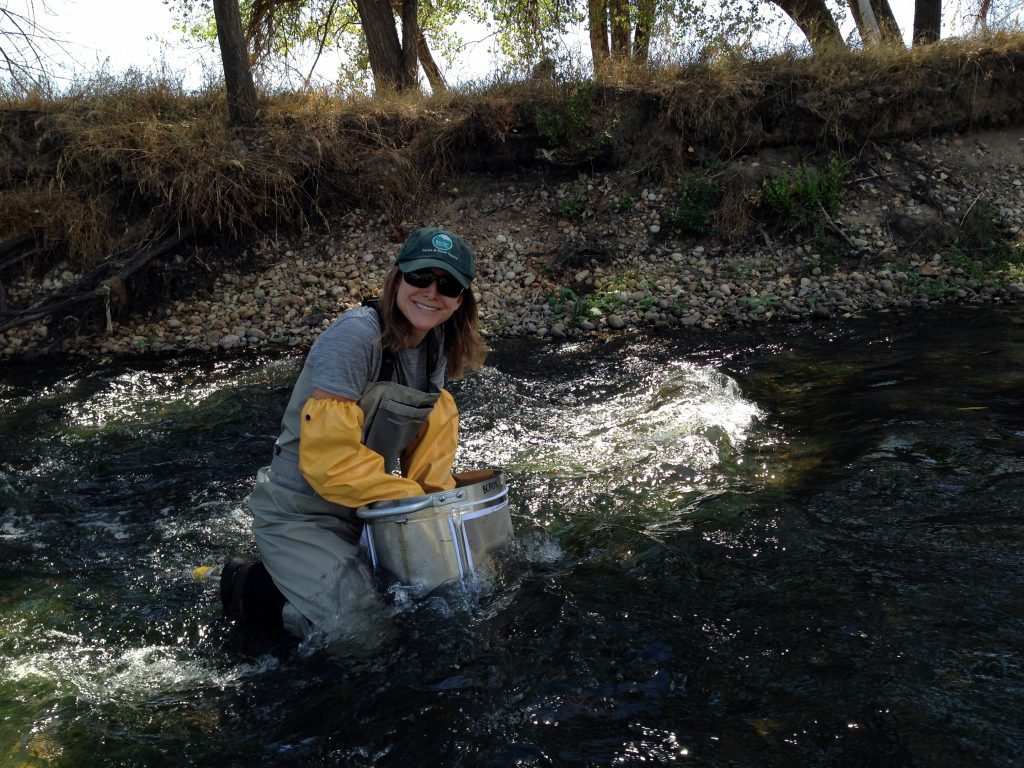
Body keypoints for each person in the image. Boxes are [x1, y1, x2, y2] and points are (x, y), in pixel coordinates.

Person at [221, 226, 487, 639]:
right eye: (420, 277)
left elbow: (429, 452)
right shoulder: (357, 337)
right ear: (398, 278)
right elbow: (329, 460)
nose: (431, 292)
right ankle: (250, 588)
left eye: (447, 284)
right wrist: (410, 502)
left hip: (365, 511)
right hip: (301, 511)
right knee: (364, 632)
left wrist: (441, 514)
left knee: (443, 593)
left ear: (460, 300)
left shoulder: (435, 345)